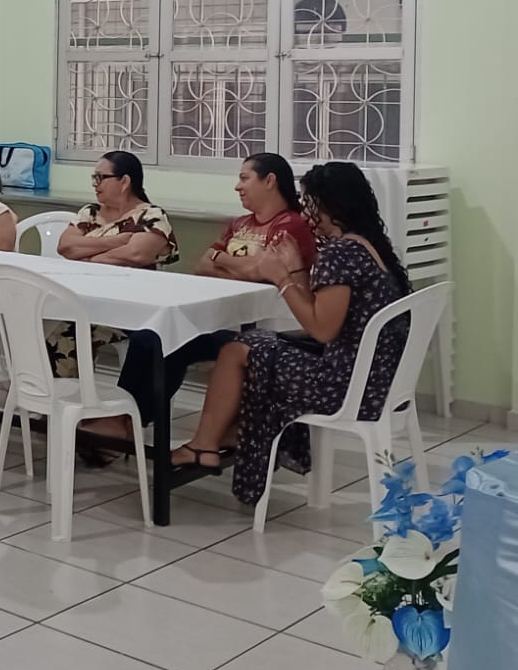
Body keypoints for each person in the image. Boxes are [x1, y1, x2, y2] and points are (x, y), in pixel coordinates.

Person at [172, 163, 412, 506]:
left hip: (345, 385)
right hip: (375, 378)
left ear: (328, 205)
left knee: (236, 350)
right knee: (256, 343)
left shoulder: (339, 254)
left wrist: (280, 277)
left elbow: (322, 328)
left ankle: (206, 444)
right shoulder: (370, 246)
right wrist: (297, 268)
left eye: (309, 202)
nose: (306, 211)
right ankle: (228, 434)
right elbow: (323, 310)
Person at [86, 153, 317, 443]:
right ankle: (127, 417)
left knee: (171, 340)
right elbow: (204, 265)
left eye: (244, 178)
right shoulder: (240, 223)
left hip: (268, 330)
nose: (237, 186)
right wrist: (238, 265)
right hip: (227, 320)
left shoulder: (291, 225)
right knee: (152, 334)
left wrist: (225, 261)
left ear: (269, 181)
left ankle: (131, 421)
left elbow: (263, 271)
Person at [48, 151, 177, 397]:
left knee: (69, 336)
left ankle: (88, 405)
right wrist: (117, 241)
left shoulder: (151, 216)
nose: (95, 184)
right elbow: (66, 246)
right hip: (87, 302)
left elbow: (136, 254)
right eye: (94, 178)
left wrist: (88, 258)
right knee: (54, 335)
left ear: (125, 181)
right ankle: (59, 402)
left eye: (101, 178)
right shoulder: (90, 213)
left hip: (134, 308)